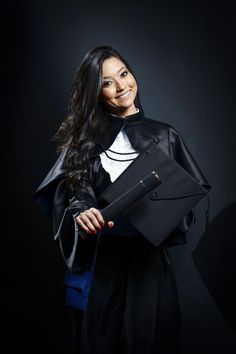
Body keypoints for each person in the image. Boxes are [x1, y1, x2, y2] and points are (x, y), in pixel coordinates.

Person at [34, 45, 211, 354]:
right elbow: (76, 195)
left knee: (150, 342)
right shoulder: (83, 143)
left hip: (149, 267)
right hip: (101, 263)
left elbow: (186, 200)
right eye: (107, 82)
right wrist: (81, 213)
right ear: (96, 92)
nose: (121, 86)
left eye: (123, 74)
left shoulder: (167, 135)